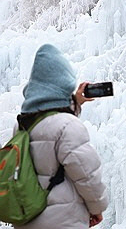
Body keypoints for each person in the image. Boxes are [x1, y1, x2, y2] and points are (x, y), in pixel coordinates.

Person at [12, 44, 108, 228]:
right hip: (64, 221)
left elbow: (49, 124)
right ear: (63, 86)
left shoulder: (22, 125)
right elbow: (87, 175)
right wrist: (97, 207)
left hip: (27, 218)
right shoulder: (67, 126)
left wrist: (74, 103)